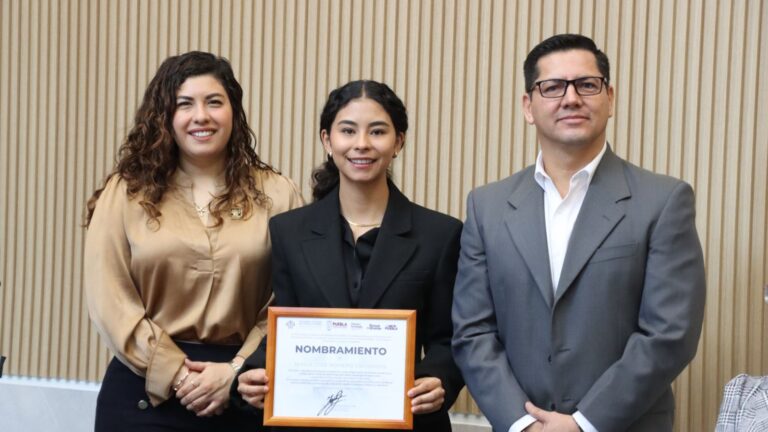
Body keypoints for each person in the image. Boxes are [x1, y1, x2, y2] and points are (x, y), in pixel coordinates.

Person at [451, 34, 706, 432]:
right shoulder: (487, 206)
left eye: (587, 85)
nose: (571, 99)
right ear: (528, 107)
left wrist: (584, 423)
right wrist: (522, 422)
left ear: (610, 98)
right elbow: (472, 331)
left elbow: (669, 333)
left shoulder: (664, 200)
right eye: (552, 87)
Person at [84, 51, 303, 431]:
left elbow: (293, 297)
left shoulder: (278, 193)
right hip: (141, 395)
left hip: (246, 393)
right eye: (185, 104)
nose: (201, 116)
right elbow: (110, 298)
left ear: (234, 111)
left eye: (214, 102)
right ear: (165, 116)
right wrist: (177, 374)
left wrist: (236, 371)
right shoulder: (126, 192)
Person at [232, 80, 465, 431]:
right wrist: (254, 372)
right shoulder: (289, 231)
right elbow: (285, 326)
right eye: (348, 130)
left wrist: (437, 379)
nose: (362, 144)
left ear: (399, 141)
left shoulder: (440, 234)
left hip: (403, 420)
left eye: (377, 131)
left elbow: (449, 338)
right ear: (328, 140)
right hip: (310, 422)